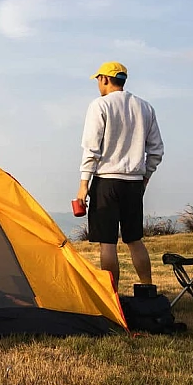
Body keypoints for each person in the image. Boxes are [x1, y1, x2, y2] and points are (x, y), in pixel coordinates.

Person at [75, 61, 164, 290]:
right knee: (134, 240)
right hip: (134, 183)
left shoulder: (99, 106)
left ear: (105, 79)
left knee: (107, 243)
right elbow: (155, 150)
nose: (97, 84)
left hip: (106, 181)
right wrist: (145, 178)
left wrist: (83, 185)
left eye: (98, 79)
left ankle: (112, 296)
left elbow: (91, 149)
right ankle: (147, 291)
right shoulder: (145, 107)